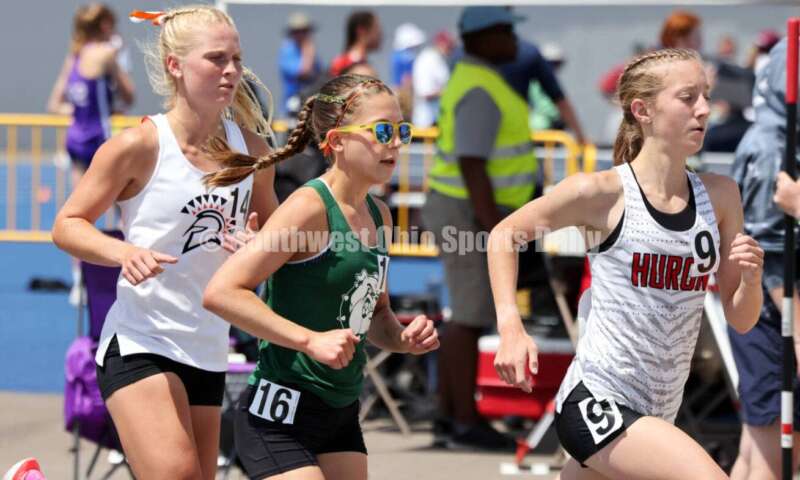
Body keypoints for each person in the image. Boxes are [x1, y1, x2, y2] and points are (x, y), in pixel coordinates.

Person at [488, 48, 764, 479]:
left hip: (658, 412)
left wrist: (751, 279)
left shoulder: (721, 195)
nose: (705, 109)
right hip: (598, 402)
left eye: (705, 96)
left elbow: (742, 320)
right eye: (688, 97)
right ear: (643, 110)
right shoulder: (601, 193)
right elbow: (504, 235)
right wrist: (510, 327)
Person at [51, 6, 279, 479]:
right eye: (216, 58)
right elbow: (68, 224)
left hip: (210, 347)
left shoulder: (253, 151)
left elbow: (275, 243)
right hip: (141, 340)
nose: (232, 70)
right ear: (176, 66)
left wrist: (257, 246)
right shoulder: (140, 146)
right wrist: (124, 252)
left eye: (236, 58)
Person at [202, 74, 440, 479]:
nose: (396, 143)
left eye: (403, 130)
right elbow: (221, 292)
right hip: (278, 417)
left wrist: (400, 338)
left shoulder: (381, 216)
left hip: (340, 414)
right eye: (383, 131)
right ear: (337, 141)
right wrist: (309, 340)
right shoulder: (309, 207)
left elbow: (374, 315)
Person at [422, 6, 537, 451]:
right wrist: (498, 229)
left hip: (466, 211)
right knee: (468, 319)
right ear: (482, 38)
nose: (514, 41)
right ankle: (462, 421)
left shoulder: (479, 80)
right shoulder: (480, 88)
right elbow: (472, 164)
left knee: (466, 317)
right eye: (506, 32)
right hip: (467, 213)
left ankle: (452, 418)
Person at [729, 37, 800, 480]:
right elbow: (772, 257)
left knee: (755, 449)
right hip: (772, 320)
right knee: (770, 451)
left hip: (773, 315)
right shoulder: (772, 149)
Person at [48, 3, 135, 186]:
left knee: (80, 206)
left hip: (74, 138)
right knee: (124, 203)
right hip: (100, 137)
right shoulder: (106, 54)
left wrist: (83, 109)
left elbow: (54, 105)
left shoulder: (75, 56)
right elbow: (129, 95)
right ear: (105, 25)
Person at [278, 12, 321, 115]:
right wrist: (308, 51)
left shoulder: (311, 52)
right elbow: (304, 72)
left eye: (305, 31)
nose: (303, 35)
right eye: (298, 31)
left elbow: (319, 77)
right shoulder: (287, 51)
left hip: (311, 102)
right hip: (293, 104)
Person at [412, 30, 455, 128]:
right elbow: (426, 93)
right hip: (427, 122)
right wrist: (450, 92)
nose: (451, 49)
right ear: (441, 43)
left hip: (436, 119)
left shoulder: (437, 58)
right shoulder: (428, 59)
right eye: (449, 45)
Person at [330, 11, 382, 77]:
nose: (380, 34)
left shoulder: (361, 62)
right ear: (361, 31)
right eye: (376, 28)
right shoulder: (342, 64)